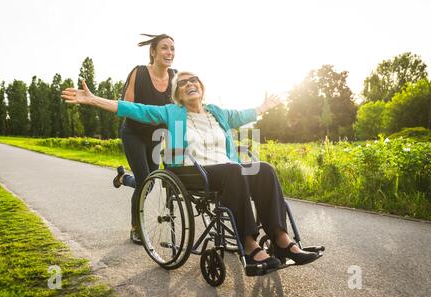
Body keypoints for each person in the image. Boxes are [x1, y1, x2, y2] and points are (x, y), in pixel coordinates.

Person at [62, 71, 321, 271]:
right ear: (178, 94)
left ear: (202, 87)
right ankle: (250, 244)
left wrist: (264, 107)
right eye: (183, 83)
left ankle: (281, 239)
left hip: (226, 169)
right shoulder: (172, 112)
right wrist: (94, 100)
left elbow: (243, 115)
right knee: (234, 171)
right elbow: (135, 109)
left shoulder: (217, 112)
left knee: (263, 169)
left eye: (193, 80)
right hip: (190, 171)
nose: (189, 83)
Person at [114, 34, 177, 244]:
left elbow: (178, 112)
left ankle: (123, 178)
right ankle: (136, 228)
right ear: (153, 52)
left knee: (150, 183)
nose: (169, 53)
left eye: (172, 49)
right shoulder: (139, 72)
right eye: (164, 48)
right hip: (134, 133)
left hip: (156, 137)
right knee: (144, 182)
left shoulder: (176, 77)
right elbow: (127, 108)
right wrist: (150, 115)